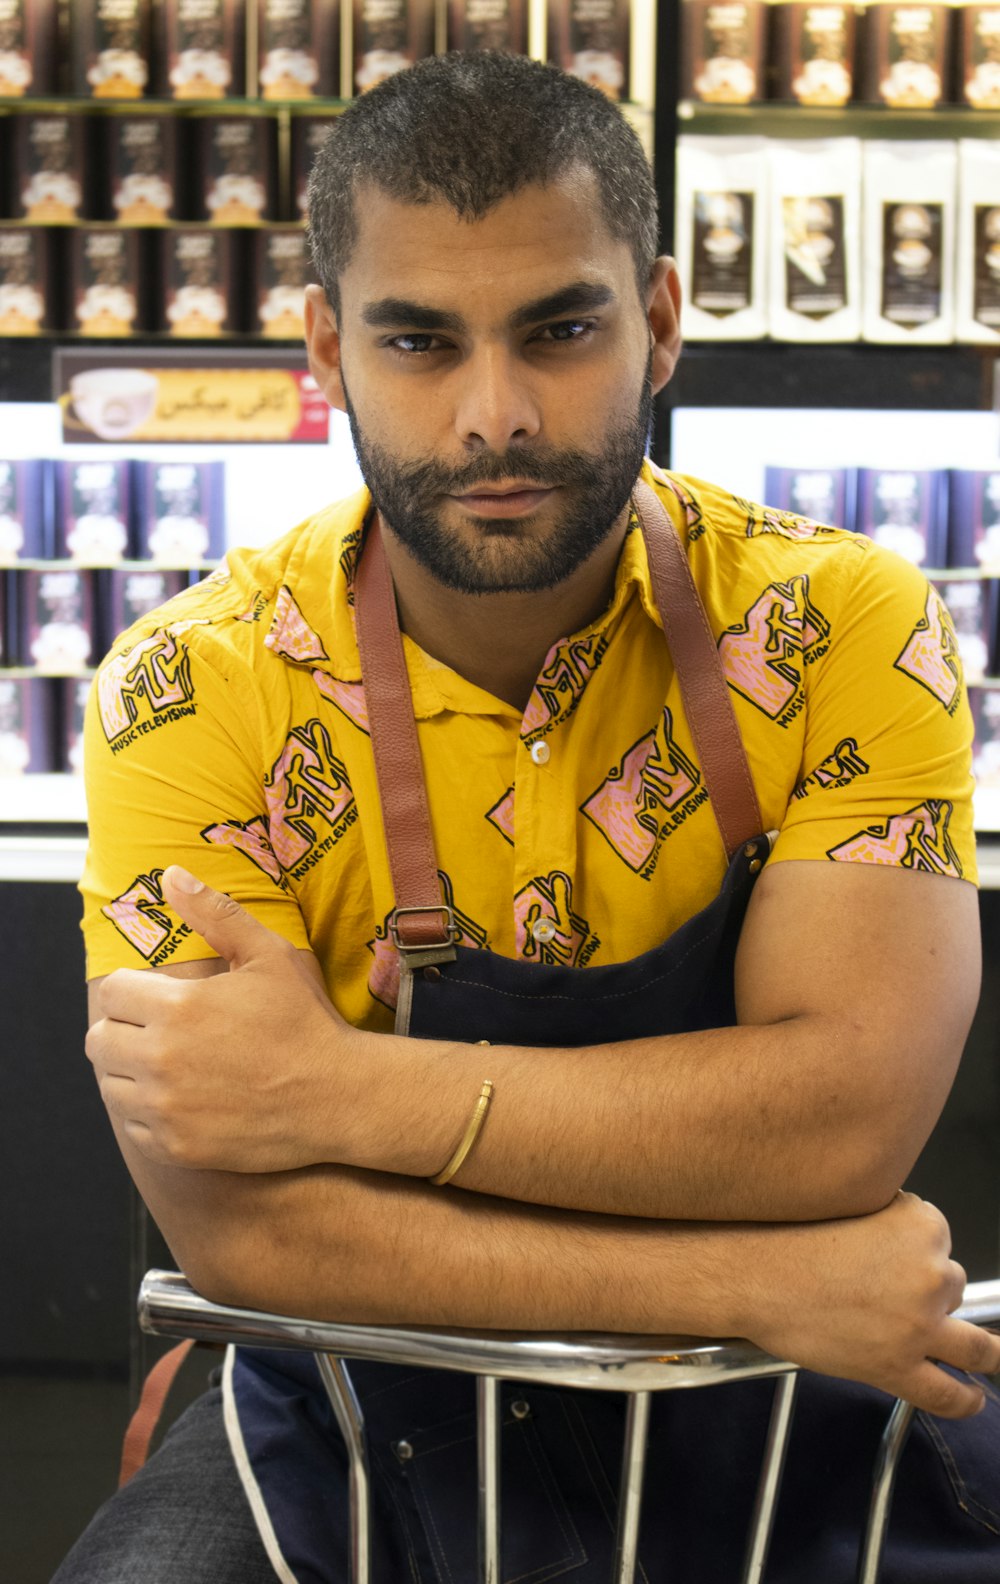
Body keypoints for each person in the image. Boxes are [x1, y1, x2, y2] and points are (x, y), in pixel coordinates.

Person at [60, 49, 1000, 1584]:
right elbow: (250, 1238)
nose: (494, 416)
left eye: (559, 329)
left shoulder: (843, 624)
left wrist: (338, 1096)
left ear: (662, 321)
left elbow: (846, 1120)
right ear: (326, 347)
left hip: (788, 1408)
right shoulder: (191, 683)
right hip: (349, 1399)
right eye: (419, 340)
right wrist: (755, 1282)